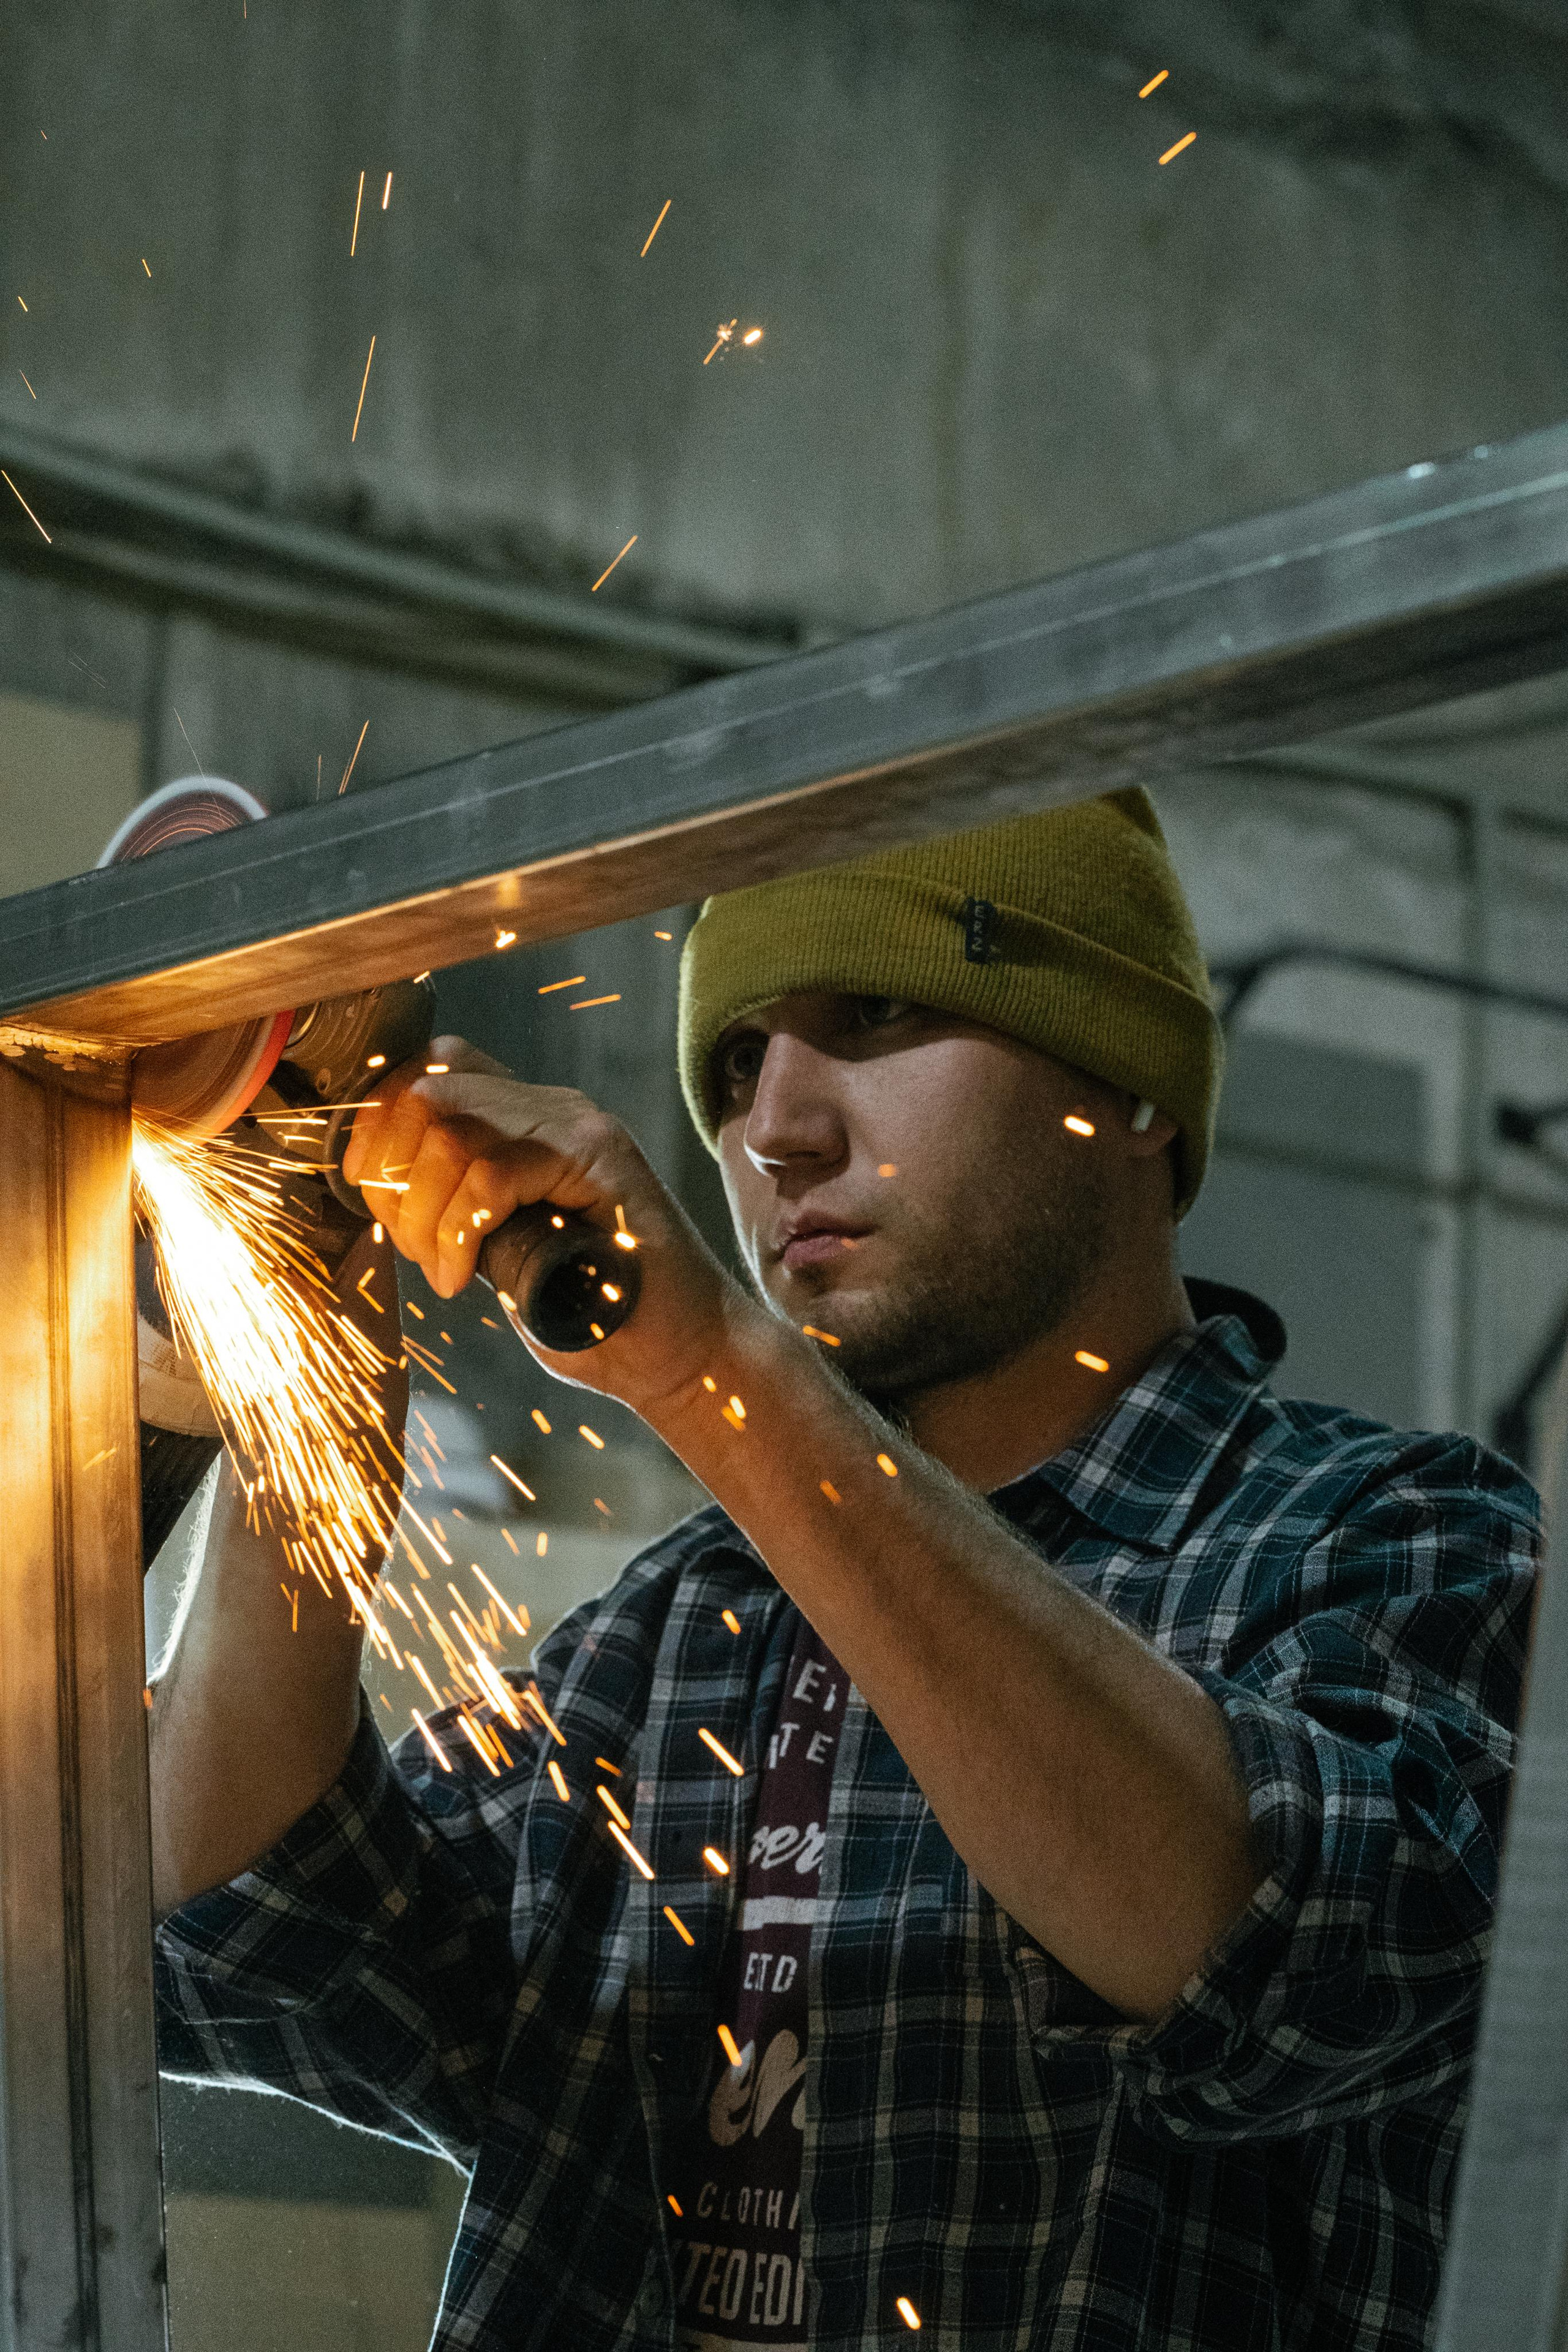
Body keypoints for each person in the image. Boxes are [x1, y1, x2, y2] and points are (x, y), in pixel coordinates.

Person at [151, 790, 1537, 2352]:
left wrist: (716, 1378)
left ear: (1135, 1090)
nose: (775, 1129)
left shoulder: (1398, 1542)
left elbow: (1247, 1949)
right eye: (737, 1063)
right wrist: (310, 1391)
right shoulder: (678, 1635)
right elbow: (263, 1922)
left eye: (872, 1014)